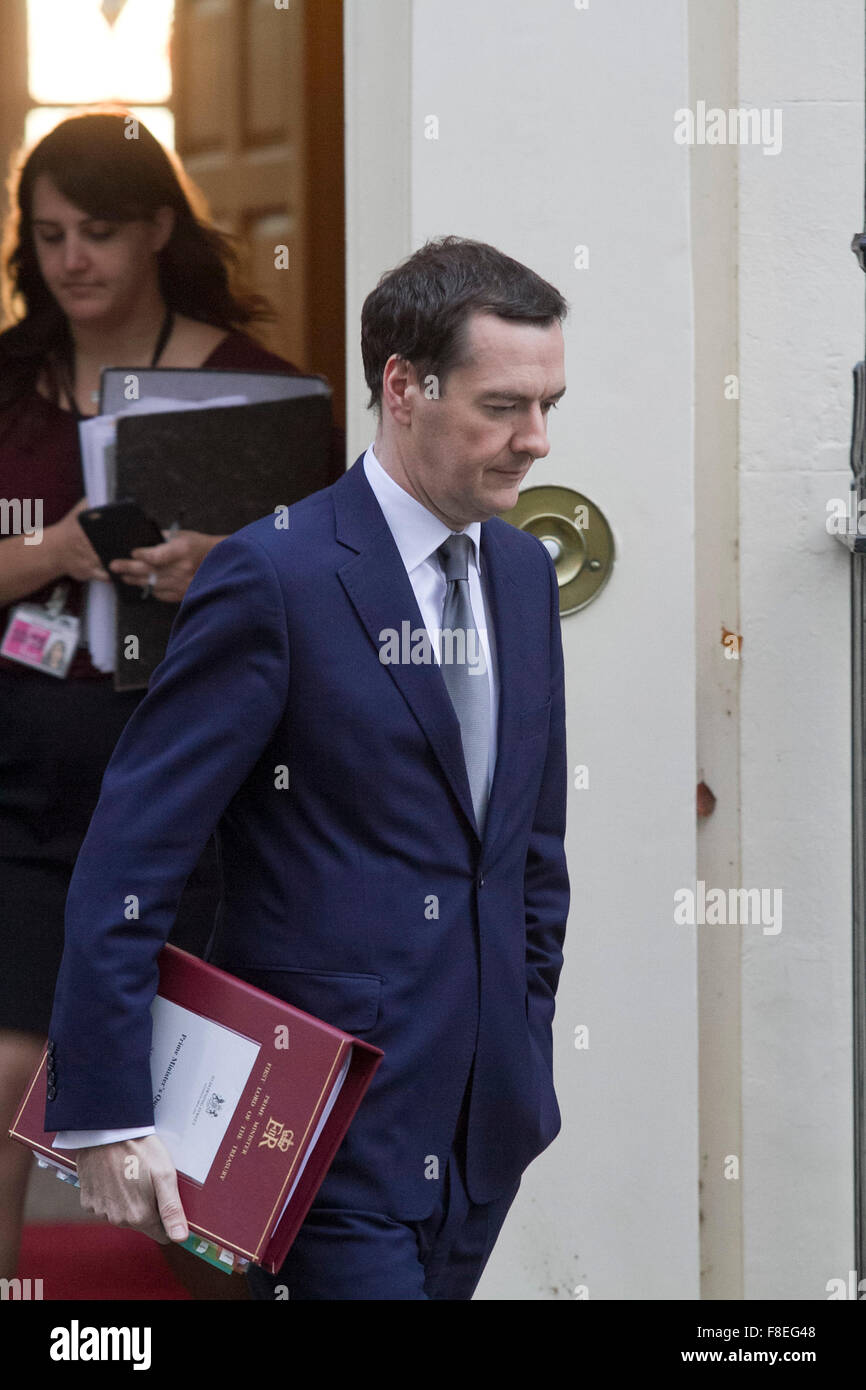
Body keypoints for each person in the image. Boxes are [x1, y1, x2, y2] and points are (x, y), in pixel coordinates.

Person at [45, 236, 571, 1301]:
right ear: (402, 386)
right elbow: (133, 853)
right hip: (321, 1127)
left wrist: (519, 1038)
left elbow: (529, 851)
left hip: (482, 1127)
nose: (535, 441)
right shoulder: (273, 574)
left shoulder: (520, 570)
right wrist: (107, 1110)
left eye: (548, 404)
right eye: (503, 406)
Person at [0, 109, 317, 1282]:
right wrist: (53, 554)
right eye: (47, 236)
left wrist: (223, 563)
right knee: (2, 1067)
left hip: (199, 787)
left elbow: (328, 582)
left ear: (158, 231)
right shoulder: (8, 387)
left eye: (98, 232)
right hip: (26, 776)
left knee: (207, 1089)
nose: (72, 260)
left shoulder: (258, 391)